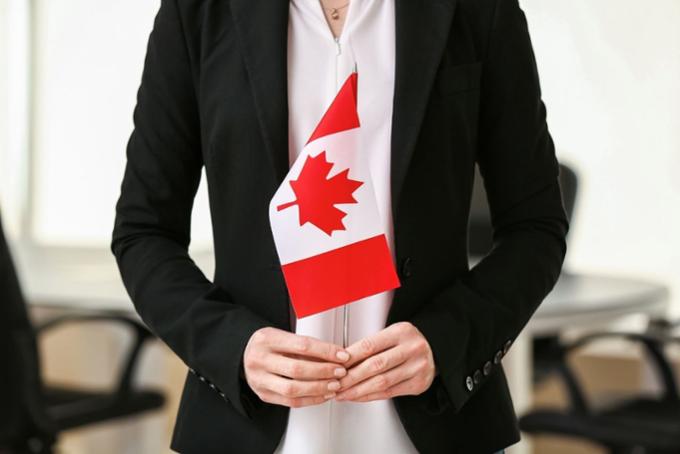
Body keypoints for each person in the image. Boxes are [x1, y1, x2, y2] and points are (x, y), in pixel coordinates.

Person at [111, 0, 568, 453]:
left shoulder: (477, 9)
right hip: (252, 428)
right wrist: (232, 346)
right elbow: (143, 231)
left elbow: (536, 226)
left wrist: (446, 340)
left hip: (434, 422)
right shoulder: (199, 11)